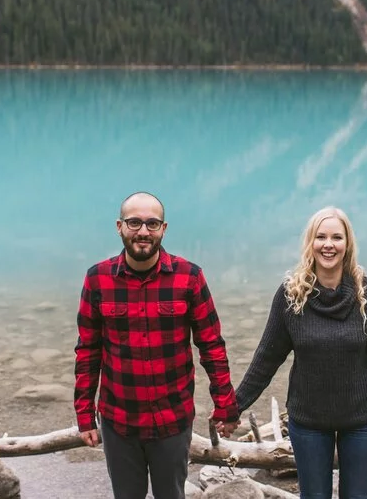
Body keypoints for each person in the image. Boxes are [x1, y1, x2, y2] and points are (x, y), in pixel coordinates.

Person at [73, 192, 241, 499]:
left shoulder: (189, 277)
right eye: (134, 222)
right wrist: (85, 413)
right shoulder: (97, 279)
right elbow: (88, 351)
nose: (143, 232)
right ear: (119, 226)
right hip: (118, 421)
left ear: (163, 228)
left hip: (172, 421)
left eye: (152, 224)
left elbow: (212, 346)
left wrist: (225, 406)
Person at [235, 206, 367, 499]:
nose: (328, 245)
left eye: (337, 237)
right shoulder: (291, 295)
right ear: (310, 243)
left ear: (347, 244)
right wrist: (233, 407)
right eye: (321, 237)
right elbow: (267, 358)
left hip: (362, 422)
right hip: (308, 423)